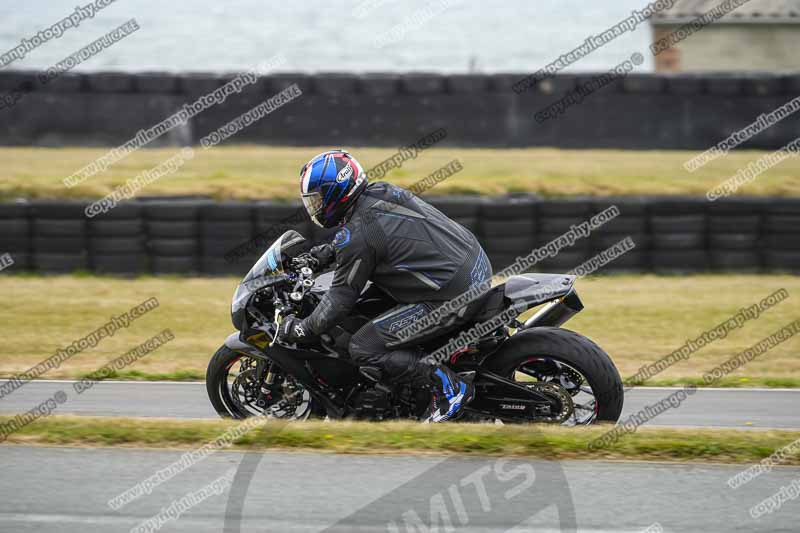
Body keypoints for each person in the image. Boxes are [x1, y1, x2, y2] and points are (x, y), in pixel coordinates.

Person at [276, 149, 492, 422]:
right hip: (474, 265)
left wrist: (301, 327)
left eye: (318, 200)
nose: (315, 208)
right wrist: (325, 254)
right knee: (368, 307)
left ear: (335, 194)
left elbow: (339, 301)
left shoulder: (357, 236)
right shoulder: (381, 192)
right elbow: (373, 239)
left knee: (365, 346)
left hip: (452, 293)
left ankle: (450, 388)